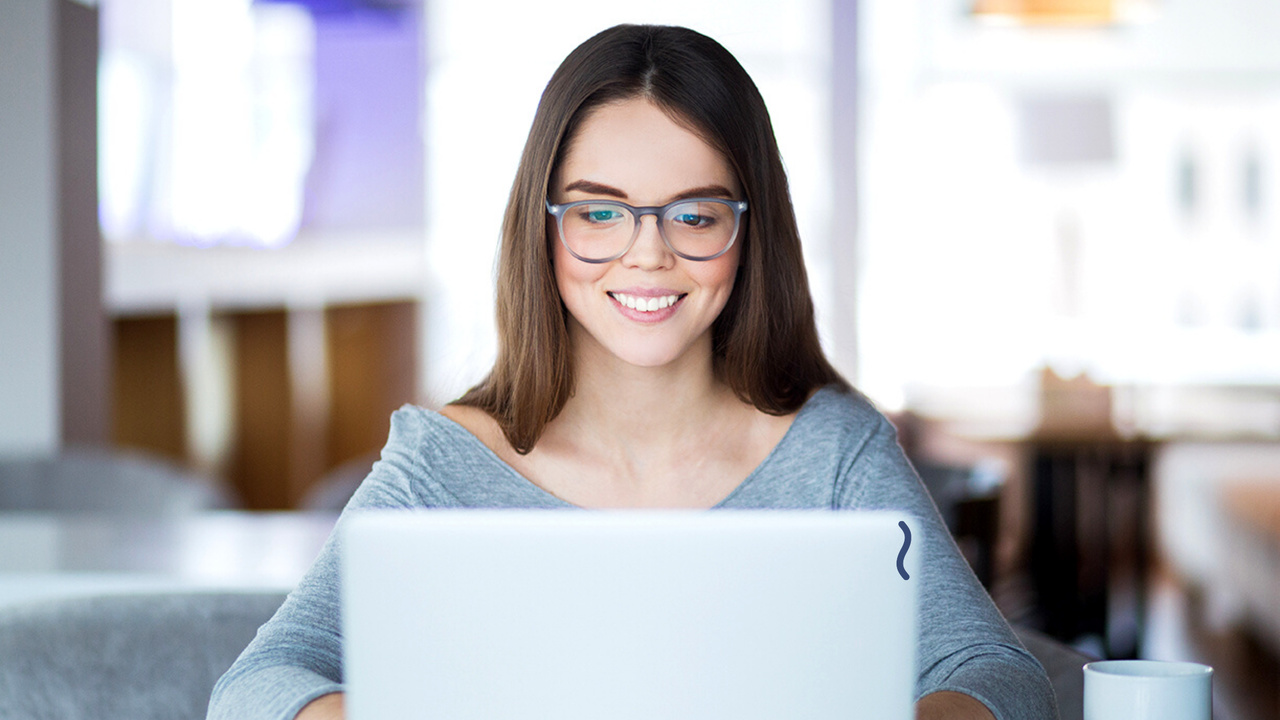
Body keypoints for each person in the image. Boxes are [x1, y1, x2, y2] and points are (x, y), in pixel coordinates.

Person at [208, 24, 1056, 720]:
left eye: (695, 216)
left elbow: (999, 674)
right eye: (600, 212)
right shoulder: (441, 464)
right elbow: (254, 686)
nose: (648, 256)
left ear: (749, 231)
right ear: (544, 227)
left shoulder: (834, 452)